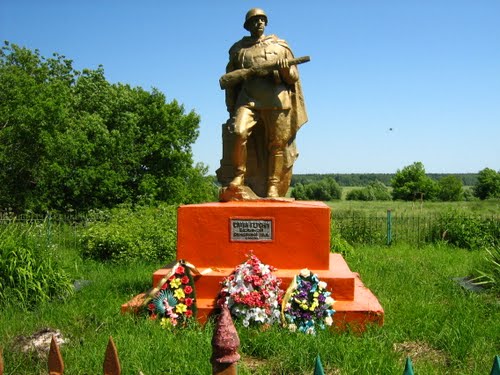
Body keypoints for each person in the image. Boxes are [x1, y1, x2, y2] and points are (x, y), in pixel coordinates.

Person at [218, 8, 308, 199]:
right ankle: (238, 176)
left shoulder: (280, 46)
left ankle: (273, 186)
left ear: (266, 23)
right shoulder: (238, 49)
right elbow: (230, 81)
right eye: (255, 20)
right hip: (248, 99)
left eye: (262, 20)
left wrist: (284, 71)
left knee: (277, 144)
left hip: (276, 100)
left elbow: (293, 77)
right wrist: (231, 105)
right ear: (248, 25)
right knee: (238, 132)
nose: (259, 23)